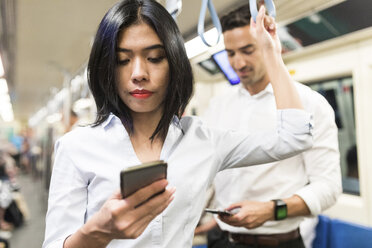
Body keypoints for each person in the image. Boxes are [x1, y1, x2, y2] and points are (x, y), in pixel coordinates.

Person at [42, 1, 313, 247]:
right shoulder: (76, 148)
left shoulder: (204, 141)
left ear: (174, 64)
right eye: (123, 60)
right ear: (107, 69)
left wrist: (271, 54)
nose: (138, 74)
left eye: (155, 58)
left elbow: (295, 137)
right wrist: (97, 233)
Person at [201, 3, 341, 248]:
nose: (238, 62)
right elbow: (211, 176)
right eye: (231, 53)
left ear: (267, 45)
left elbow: (328, 187)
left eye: (248, 50)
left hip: (277, 241)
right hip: (222, 240)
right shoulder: (217, 107)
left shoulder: (309, 103)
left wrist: (271, 210)